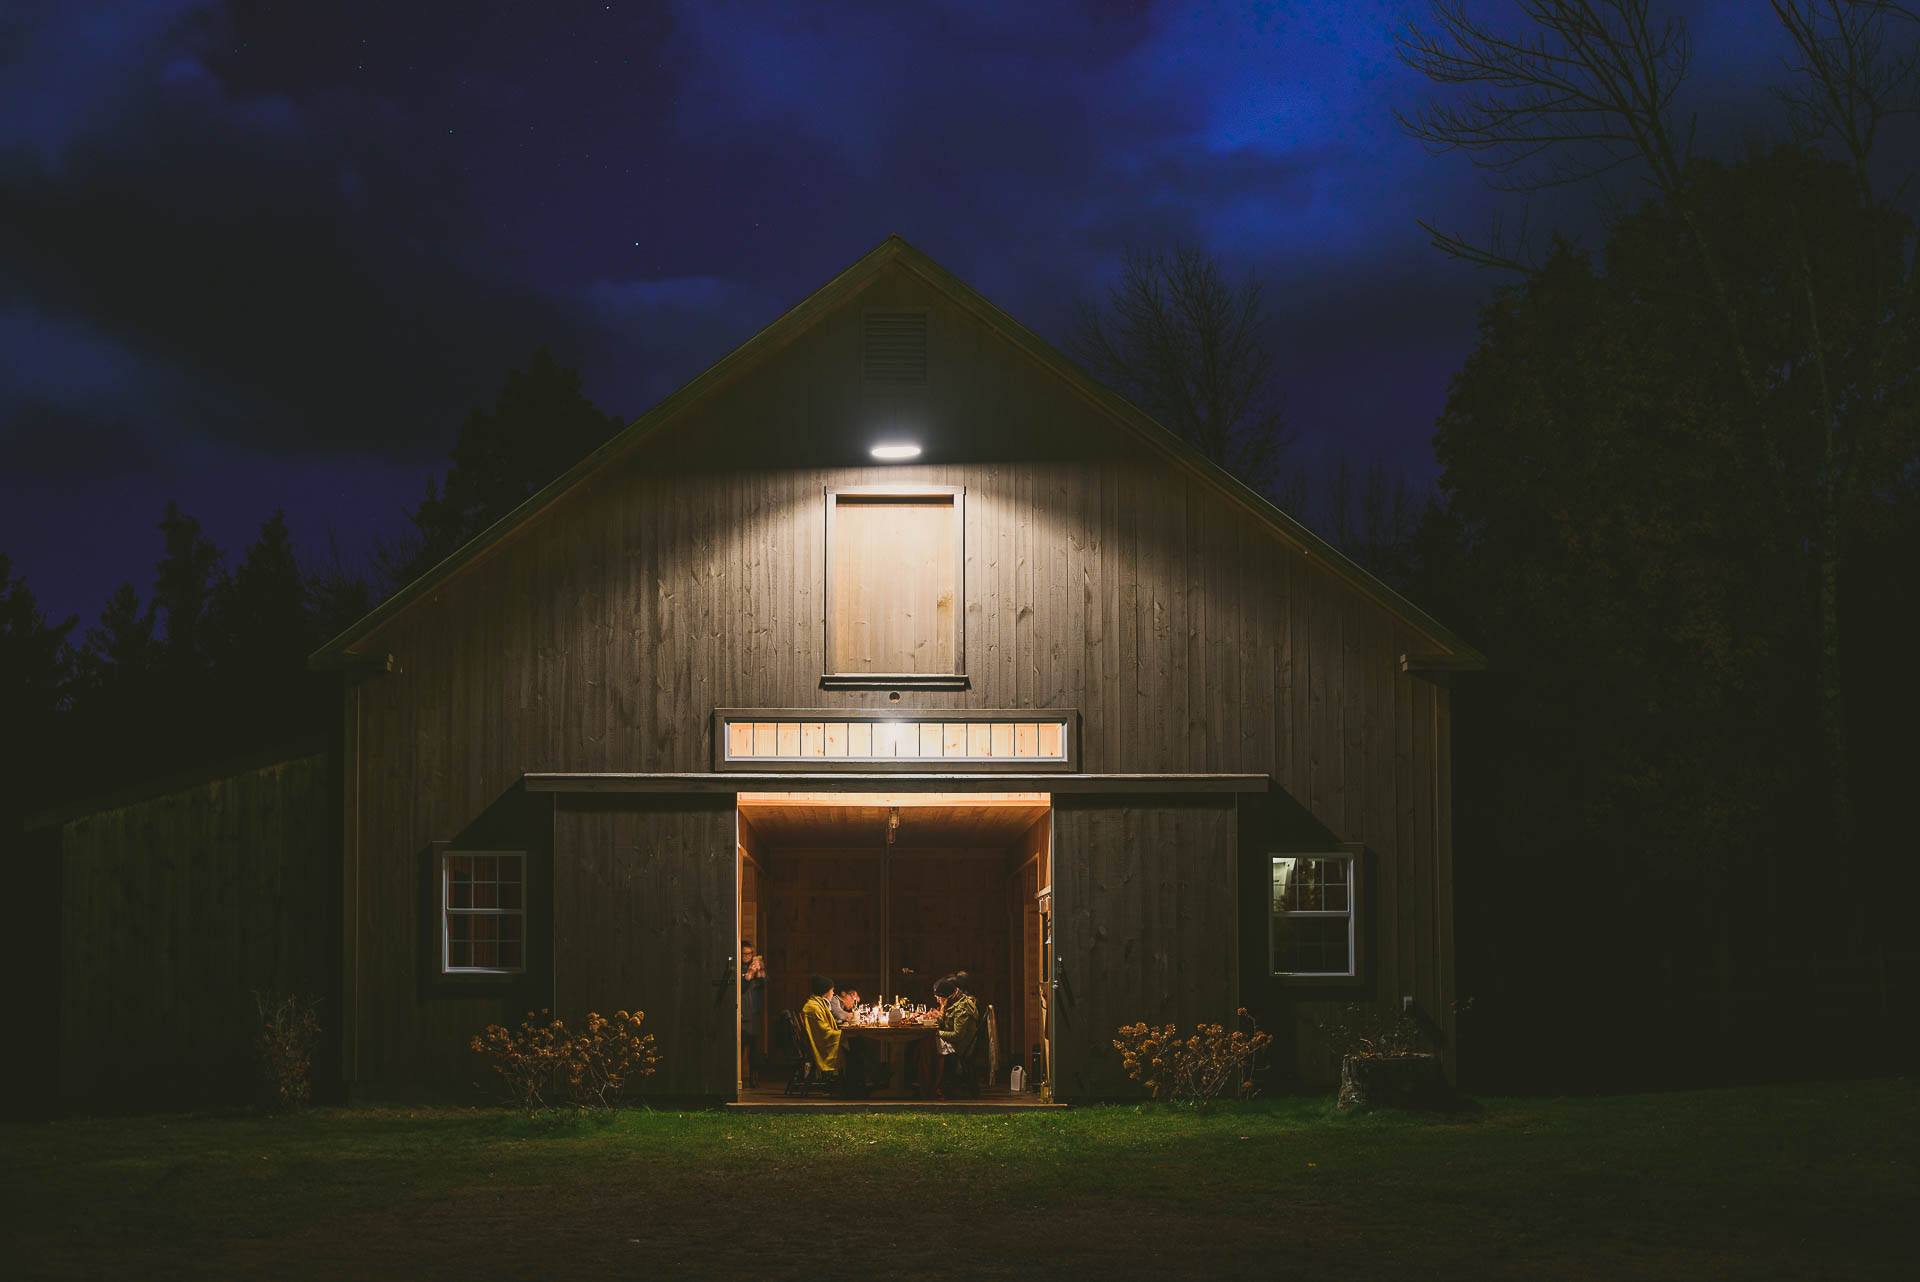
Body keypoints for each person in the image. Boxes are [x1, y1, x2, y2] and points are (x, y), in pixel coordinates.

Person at [799, 973, 843, 1078]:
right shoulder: (812, 1008)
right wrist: (843, 1034)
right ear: (825, 991)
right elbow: (824, 1033)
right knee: (854, 1045)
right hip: (820, 1047)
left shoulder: (818, 1004)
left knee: (856, 1045)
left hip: (822, 1041)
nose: (833, 992)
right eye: (832, 990)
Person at [739, 939, 766, 1086]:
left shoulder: (755, 966)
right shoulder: (739, 968)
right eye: (744, 954)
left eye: (749, 954)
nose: (746, 957)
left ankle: (754, 1078)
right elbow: (741, 987)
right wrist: (749, 974)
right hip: (742, 1013)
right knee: (741, 1046)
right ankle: (737, 1078)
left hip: (754, 1012)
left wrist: (760, 971)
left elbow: (764, 985)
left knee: (755, 1049)